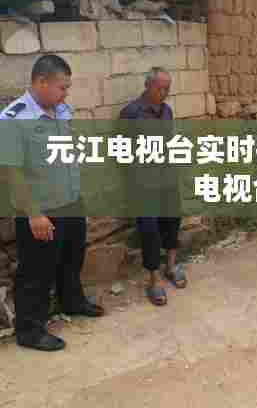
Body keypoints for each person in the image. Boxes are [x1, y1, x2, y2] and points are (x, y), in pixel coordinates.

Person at [0, 55, 104, 352]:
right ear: (41, 82)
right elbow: (11, 172)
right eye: (62, 87)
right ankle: (30, 331)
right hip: (40, 210)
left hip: (71, 202)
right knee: (36, 272)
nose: (66, 94)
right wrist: (34, 214)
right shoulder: (14, 118)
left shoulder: (61, 110)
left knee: (72, 257)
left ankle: (72, 301)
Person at [119, 67, 186, 307]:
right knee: (149, 229)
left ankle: (171, 266)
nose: (165, 92)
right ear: (148, 86)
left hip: (167, 178)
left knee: (172, 221)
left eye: (168, 88)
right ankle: (154, 279)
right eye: (161, 88)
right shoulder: (131, 113)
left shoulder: (167, 111)